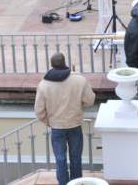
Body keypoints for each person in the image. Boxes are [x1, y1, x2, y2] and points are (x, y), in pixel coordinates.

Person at [34, 52, 96, 185]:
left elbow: (39, 111)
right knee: (76, 158)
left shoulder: (43, 85)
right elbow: (90, 100)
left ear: (51, 65)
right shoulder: (79, 80)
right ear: (64, 63)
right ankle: (77, 183)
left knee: (60, 160)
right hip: (75, 124)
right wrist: (79, 107)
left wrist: (49, 122)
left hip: (57, 127)